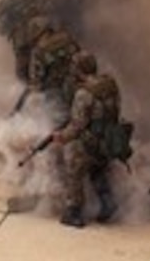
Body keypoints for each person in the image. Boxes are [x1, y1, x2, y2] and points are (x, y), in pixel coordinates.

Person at [50, 51, 131, 228]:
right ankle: (108, 203)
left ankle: (74, 212)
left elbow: (78, 125)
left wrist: (61, 137)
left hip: (91, 143)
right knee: (98, 169)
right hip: (109, 142)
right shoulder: (110, 84)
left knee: (74, 168)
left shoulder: (83, 94)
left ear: (79, 70)